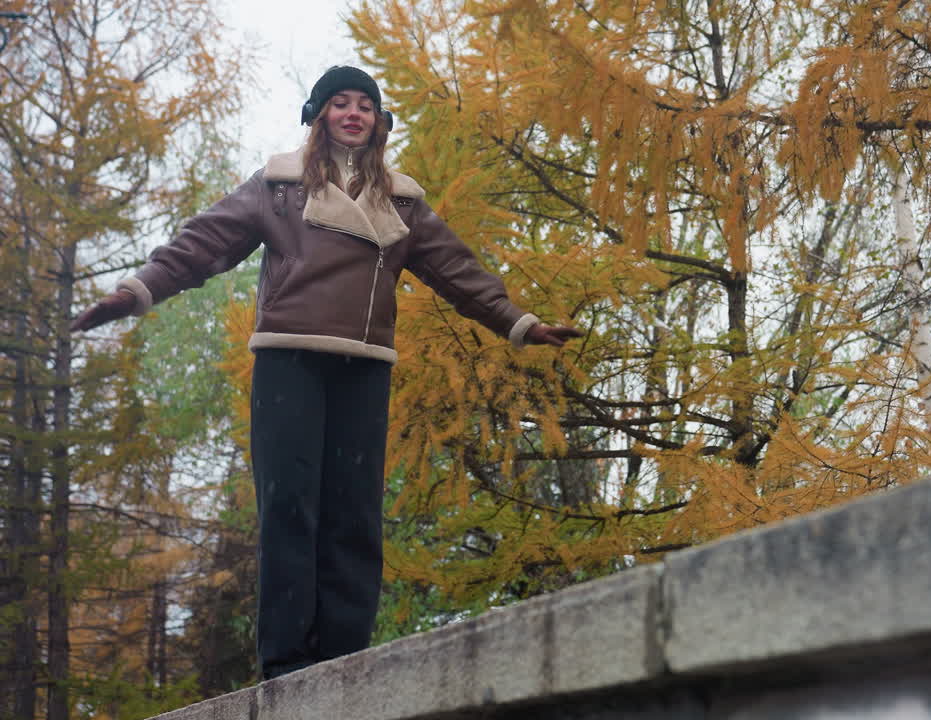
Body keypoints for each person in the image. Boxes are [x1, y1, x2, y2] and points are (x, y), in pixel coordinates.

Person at [71, 66, 583, 680]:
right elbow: (203, 243)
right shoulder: (278, 184)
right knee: (290, 506)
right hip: (289, 358)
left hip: (363, 365)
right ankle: (286, 663)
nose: (353, 113)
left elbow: (458, 271)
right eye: (340, 103)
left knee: (354, 513)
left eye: (365, 105)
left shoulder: (402, 200)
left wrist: (518, 323)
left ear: (379, 121)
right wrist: (137, 291)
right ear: (318, 115)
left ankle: (345, 659)